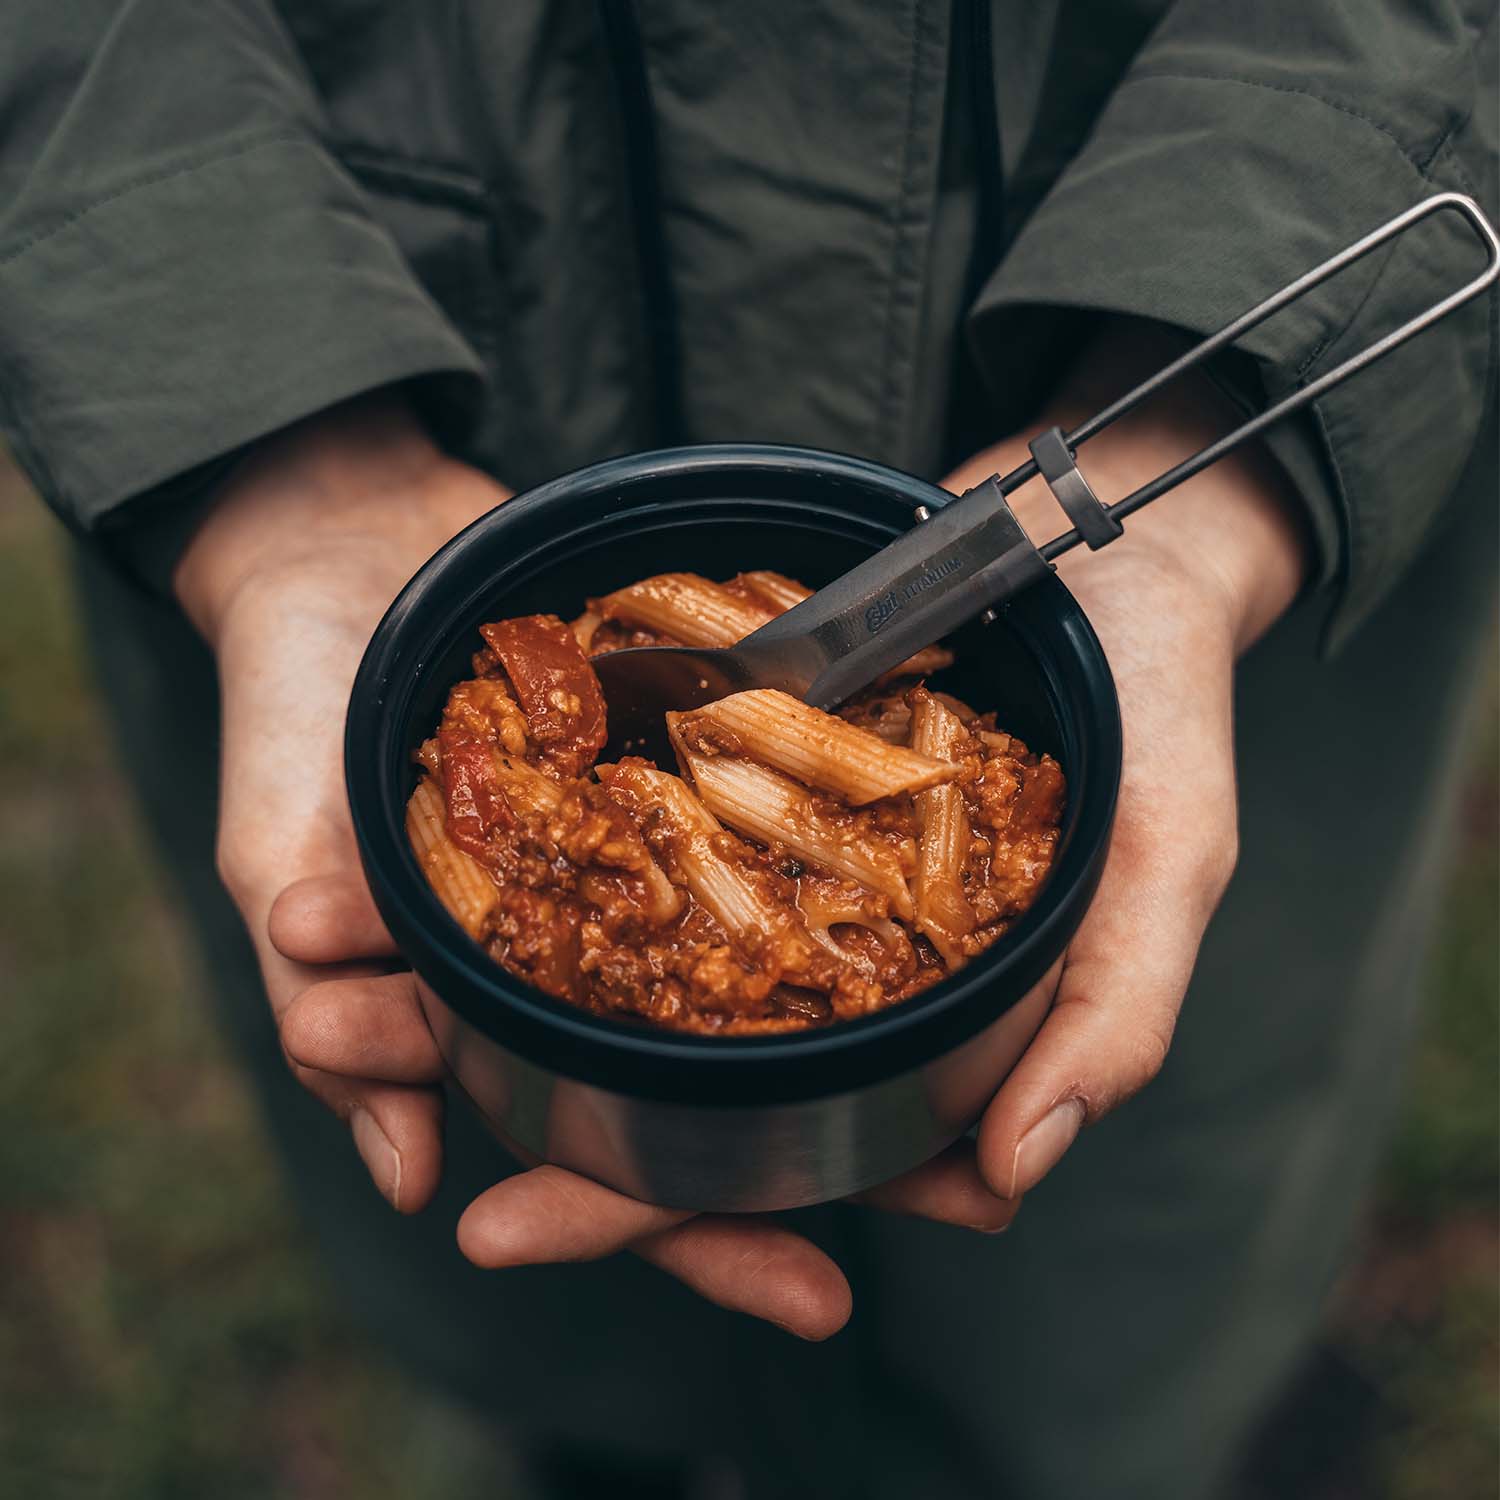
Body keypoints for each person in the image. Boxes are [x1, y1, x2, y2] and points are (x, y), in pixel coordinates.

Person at [2, 3, 1494, 1496]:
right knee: (559, 1321)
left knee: (1119, 1296)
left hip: (1149, 332)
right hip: (356, 314)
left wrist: (1209, 412)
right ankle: (594, 1444)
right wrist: (267, 456)